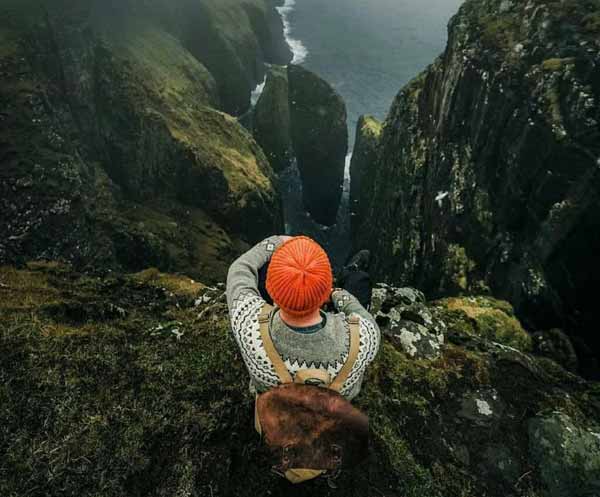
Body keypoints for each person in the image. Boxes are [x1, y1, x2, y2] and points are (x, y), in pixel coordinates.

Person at [226, 235, 380, 401]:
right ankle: (349, 272)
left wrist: (277, 241)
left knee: (263, 268)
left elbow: (240, 268)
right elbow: (362, 314)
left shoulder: (248, 326)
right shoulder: (364, 337)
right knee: (359, 281)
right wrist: (337, 294)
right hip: (332, 413)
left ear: (272, 294)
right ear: (324, 292)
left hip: (276, 412)